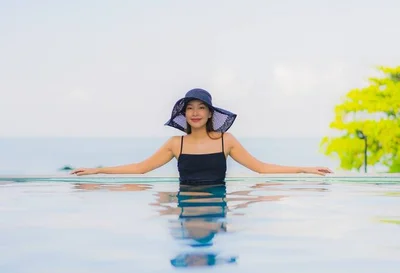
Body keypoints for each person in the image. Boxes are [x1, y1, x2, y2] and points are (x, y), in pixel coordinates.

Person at [71, 88, 333, 181]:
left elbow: (262, 168)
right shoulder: (175, 144)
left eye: (201, 108)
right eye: (190, 108)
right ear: (184, 114)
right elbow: (140, 168)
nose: (195, 112)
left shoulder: (225, 141)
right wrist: (97, 171)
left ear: (210, 114)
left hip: (217, 207)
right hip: (185, 205)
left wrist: (305, 169)